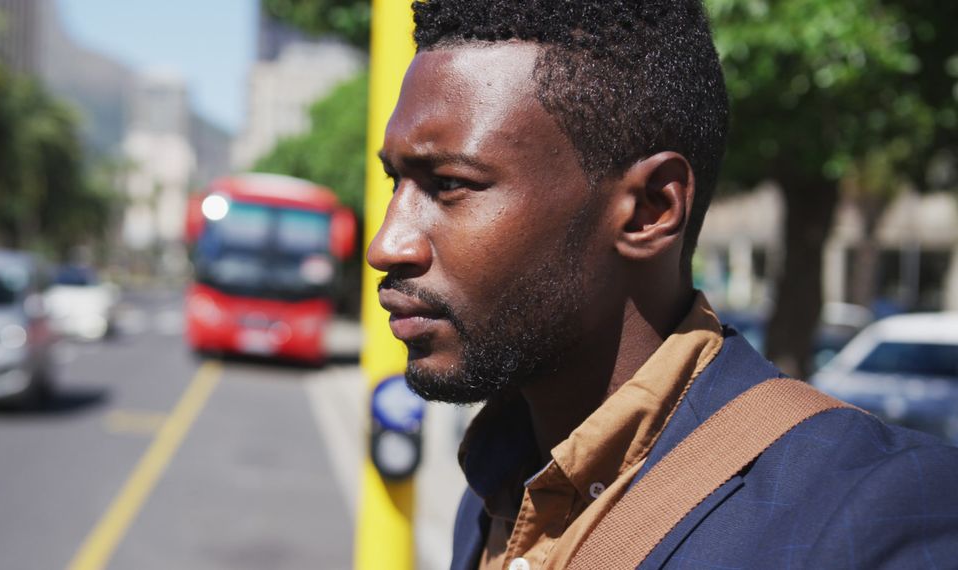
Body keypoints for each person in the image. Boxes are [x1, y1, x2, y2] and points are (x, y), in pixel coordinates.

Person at [367, 0, 958, 569]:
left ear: (650, 210)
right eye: (395, 181)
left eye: (448, 183)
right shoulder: (495, 487)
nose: (386, 245)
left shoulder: (873, 515)